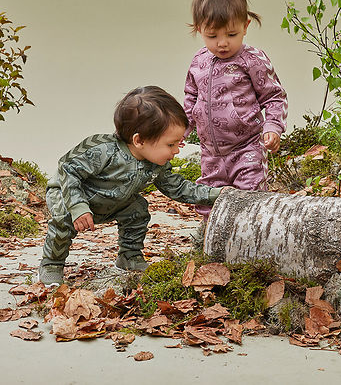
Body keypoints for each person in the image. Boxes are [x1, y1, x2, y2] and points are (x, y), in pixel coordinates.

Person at [38, 86, 223, 287]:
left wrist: (216, 195)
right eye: (171, 145)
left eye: (179, 144)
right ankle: (52, 263)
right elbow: (68, 169)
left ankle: (129, 256)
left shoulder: (156, 163)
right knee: (63, 218)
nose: (177, 150)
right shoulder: (102, 150)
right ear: (139, 140)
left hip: (115, 201)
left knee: (138, 210)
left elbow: (178, 187)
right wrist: (78, 206)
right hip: (70, 194)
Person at [184, 0, 288, 223]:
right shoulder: (199, 61)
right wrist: (180, 130)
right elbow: (190, 99)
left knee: (249, 197)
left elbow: (274, 96)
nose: (222, 43)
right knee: (209, 199)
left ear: (246, 26)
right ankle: (209, 242)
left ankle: (251, 244)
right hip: (210, 152)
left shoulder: (252, 60)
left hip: (247, 146)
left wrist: (273, 127)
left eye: (232, 35)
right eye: (213, 36)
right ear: (200, 29)